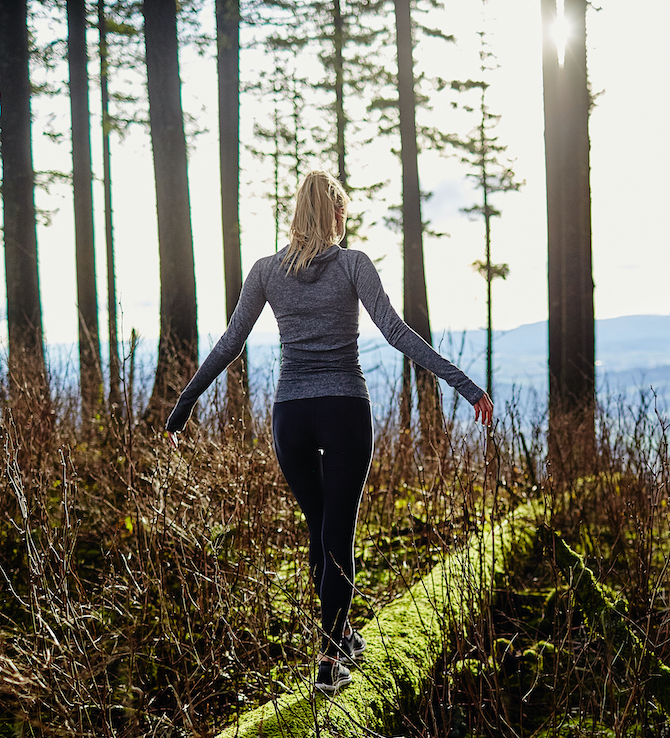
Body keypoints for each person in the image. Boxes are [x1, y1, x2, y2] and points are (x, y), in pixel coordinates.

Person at [165, 170, 493, 693]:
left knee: (321, 528)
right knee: (338, 532)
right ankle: (331, 658)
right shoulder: (353, 264)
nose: (346, 218)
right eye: (343, 209)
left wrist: (185, 402)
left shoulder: (266, 271)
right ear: (334, 212)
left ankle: (340, 637)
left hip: (291, 416)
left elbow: (231, 342)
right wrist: (467, 386)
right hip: (343, 407)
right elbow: (397, 333)